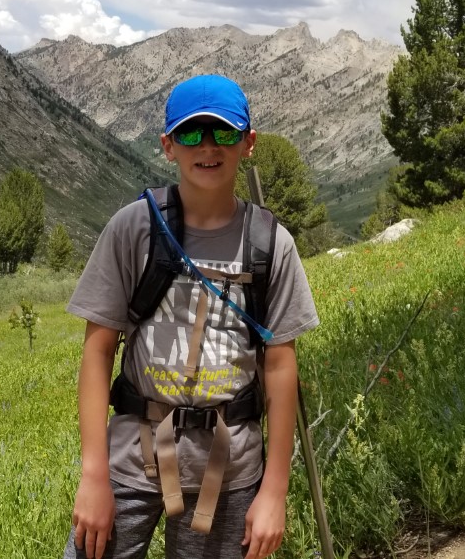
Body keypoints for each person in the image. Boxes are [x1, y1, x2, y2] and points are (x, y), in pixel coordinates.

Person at [63, 74, 319, 559]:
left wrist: (275, 493)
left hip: (230, 468)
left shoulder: (270, 244)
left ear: (248, 143)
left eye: (223, 133)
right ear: (167, 146)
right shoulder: (132, 228)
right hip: (129, 461)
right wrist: (93, 476)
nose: (207, 147)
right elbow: (97, 352)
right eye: (190, 133)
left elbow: (282, 367)